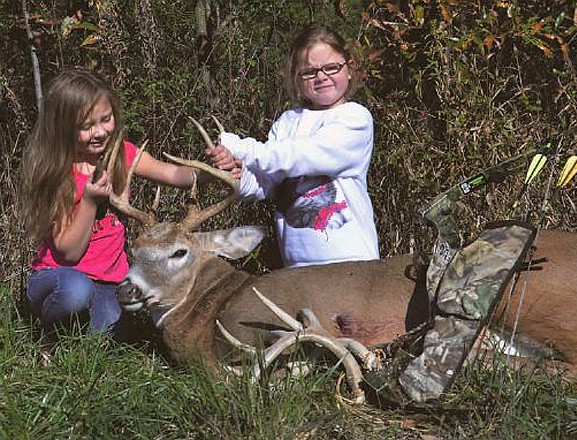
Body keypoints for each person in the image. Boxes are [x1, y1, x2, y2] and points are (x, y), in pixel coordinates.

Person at [20, 68, 201, 364]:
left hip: (108, 282)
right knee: (75, 292)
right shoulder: (59, 175)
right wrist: (90, 201)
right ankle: (49, 338)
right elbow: (68, 253)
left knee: (111, 336)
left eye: (106, 119)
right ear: (62, 127)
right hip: (58, 277)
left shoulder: (122, 155)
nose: (100, 131)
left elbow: (173, 174)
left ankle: (75, 338)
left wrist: (209, 174)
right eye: (86, 125)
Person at [207, 23, 379, 268]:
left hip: (351, 265)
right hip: (297, 269)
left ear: (349, 69)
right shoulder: (287, 122)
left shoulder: (355, 118)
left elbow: (302, 156)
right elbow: (266, 182)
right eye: (309, 72)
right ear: (297, 80)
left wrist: (243, 148)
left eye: (332, 67)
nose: (322, 77)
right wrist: (238, 174)